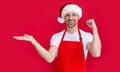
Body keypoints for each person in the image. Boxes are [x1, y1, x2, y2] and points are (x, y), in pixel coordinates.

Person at [13, 3, 101, 72]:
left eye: (74, 14)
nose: (70, 18)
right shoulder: (57, 37)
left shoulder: (87, 36)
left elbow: (96, 53)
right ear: (64, 18)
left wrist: (94, 29)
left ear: (78, 17)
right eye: (67, 15)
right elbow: (50, 58)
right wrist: (33, 41)